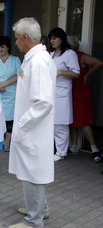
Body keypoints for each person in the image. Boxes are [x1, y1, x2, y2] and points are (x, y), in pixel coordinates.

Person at [8, 17, 57, 228]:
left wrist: (22, 124)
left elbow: (43, 102)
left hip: (32, 130)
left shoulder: (38, 62)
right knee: (32, 172)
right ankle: (40, 209)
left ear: (25, 37)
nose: (16, 43)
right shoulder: (34, 59)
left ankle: (34, 221)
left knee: (33, 173)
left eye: (17, 38)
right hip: (32, 129)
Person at [67, 36, 102, 163]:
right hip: (70, 91)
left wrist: (87, 74)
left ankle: (94, 148)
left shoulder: (81, 56)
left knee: (83, 121)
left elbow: (99, 63)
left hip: (81, 91)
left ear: (72, 46)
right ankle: (74, 146)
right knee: (72, 119)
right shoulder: (67, 56)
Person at [48, 28, 80, 162]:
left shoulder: (69, 54)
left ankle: (61, 152)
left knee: (60, 124)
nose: (52, 41)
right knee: (50, 123)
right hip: (50, 92)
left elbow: (76, 73)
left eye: (55, 38)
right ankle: (53, 149)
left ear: (62, 39)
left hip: (62, 93)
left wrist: (61, 72)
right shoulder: (50, 54)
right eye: (51, 38)